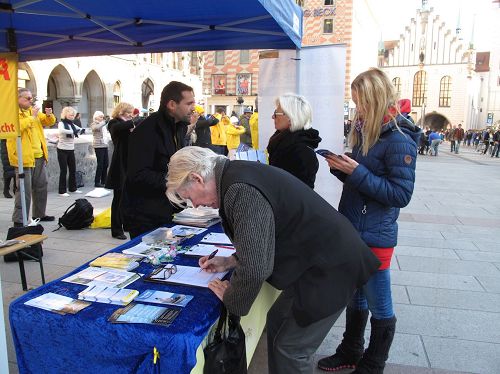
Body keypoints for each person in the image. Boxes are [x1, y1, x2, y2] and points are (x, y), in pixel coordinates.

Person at [166, 146, 380, 374]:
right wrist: (230, 261)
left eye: (190, 198)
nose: (196, 205)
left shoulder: (238, 188)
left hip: (332, 266)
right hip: (318, 261)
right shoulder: (234, 175)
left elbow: (256, 268)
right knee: (277, 322)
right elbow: (263, 237)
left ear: (197, 178)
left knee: (291, 350)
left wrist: (232, 298)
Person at [318, 68, 419, 374]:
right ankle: (351, 350)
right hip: (355, 228)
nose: (357, 108)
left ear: (375, 99)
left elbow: (401, 194)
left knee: (379, 302)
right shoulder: (369, 132)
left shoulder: (399, 139)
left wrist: (357, 172)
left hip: (375, 234)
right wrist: (343, 168)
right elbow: (365, 180)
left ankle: (374, 363)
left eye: (360, 101)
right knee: (356, 296)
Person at [121, 81, 195, 239]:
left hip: (170, 209)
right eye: (189, 103)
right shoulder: (147, 131)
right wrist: (177, 181)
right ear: (172, 104)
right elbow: (138, 175)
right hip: (145, 216)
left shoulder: (179, 127)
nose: (193, 108)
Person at [7, 89, 56, 225]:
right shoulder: (12, 113)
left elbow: (48, 122)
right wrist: (32, 117)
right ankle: (19, 219)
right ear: (18, 99)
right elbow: (17, 127)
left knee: (41, 186)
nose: (31, 101)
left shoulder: (32, 112)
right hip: (23, 158)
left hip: (39, 155)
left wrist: (49, 115)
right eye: (27, 98)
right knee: (24, 190)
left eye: (31, 98)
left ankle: (39, 214)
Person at [267, 93, 321, 188]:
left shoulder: (302, 151)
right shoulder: (282, 141)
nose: (273, 117)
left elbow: (297, 193)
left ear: (290, 117)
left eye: (276, 113)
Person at [105, 102, 136, 240]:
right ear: (121, 111)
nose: (130, 114)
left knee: (128, 197)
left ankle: (127, 224)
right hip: (120, 164)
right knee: (118, 198)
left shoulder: (130, 123)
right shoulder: (114, 122)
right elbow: (118, 128)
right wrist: (133, 121)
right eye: (128, 112)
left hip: (130, 163)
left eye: (131, 112)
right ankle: (116, 229)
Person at [56, 106, 85, 197]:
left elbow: (79, 129)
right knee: (63, 170)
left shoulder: (72, 124)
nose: (72, 116)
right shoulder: (61, 123)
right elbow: (62, 130)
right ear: (65, 114)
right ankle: (62, 190)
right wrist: (73, 131)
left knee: (73, 169)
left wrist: (82, 130)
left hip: (70, 149)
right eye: (70, 114)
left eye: (73, 115)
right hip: (62, 149)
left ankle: (73, 188)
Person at [90, 111, 109, 188]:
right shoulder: (94, 124)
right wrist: (104, 122)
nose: (102, 118)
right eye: (100, 117)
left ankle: (104, 180)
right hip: (98, 145)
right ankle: (97, 181)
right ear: (96, 117)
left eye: (102, 117)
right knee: (100, 164)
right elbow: (96, 128)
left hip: (104, 145)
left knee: (106, 163)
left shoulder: (103, 124)